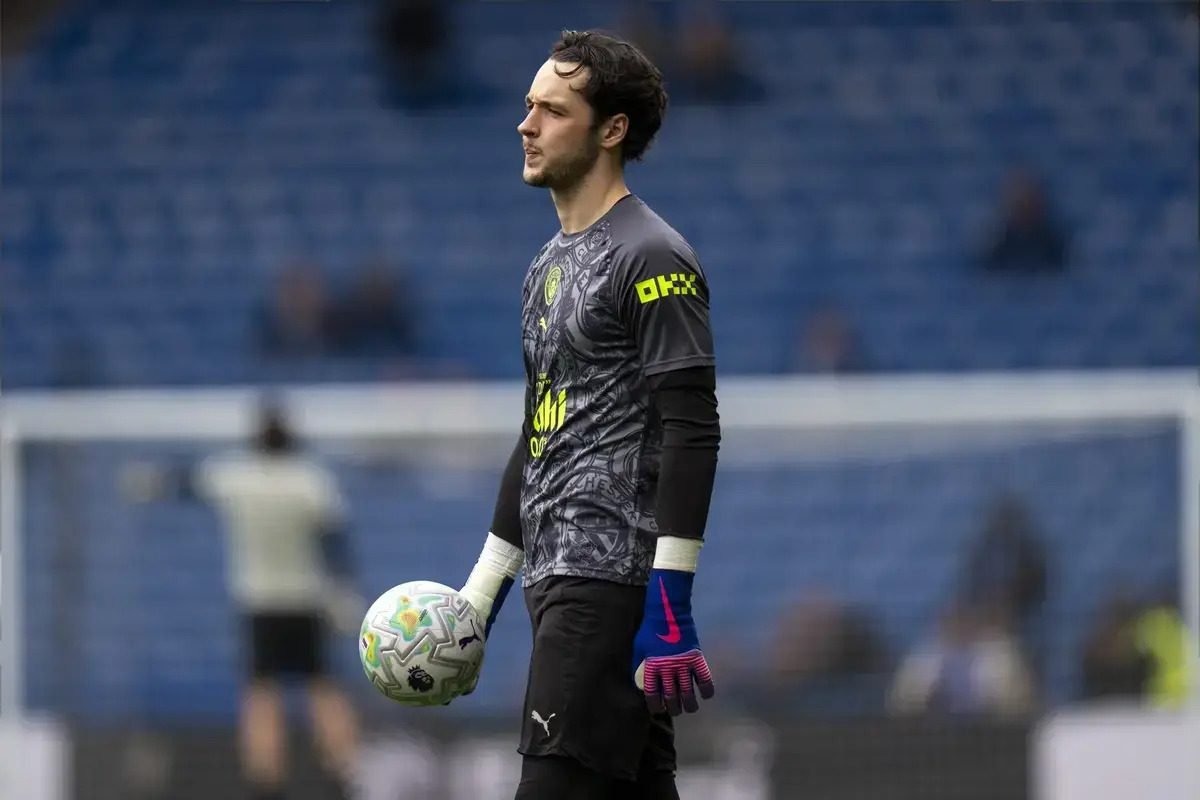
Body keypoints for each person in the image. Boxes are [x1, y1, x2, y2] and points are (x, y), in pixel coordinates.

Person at [453, 31, 721, 799]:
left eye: (553, 110)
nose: (526, 124)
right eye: (528, 105)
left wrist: (671, 595)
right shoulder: (548, 263)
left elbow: (692, 426)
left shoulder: (652, 256)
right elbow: (541, 433)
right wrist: (480, 595)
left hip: (605, 586)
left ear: (612, 130)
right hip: (556, 580)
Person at [123, 404, 361, 800]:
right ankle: (343, 778)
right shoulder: (311, 481)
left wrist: (151, 481)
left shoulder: (240, 477)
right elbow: (335, 542)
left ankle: (266, 784)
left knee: (262, 694)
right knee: (323, 688)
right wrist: (344, 592)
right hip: (307, 600)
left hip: (259, 603)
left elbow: (187, 483)